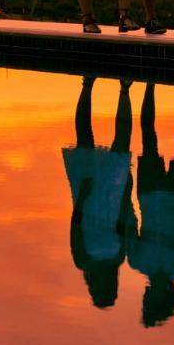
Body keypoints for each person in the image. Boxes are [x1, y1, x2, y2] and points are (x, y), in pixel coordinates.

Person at [128, 84, 174, 327]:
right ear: (165, 298)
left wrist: (126, 191)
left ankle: (149, 83)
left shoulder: (138, 261)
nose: (145, 297)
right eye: (149, 302)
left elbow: (130, 222)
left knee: (147, 134)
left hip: (149, 193)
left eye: (145, 302)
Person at [62, 76, 137, 309]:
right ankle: (124, 90)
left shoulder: (84, 261)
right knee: (120, 143)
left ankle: (88, 84)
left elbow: (75, 227)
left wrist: (83, 196)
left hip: (90, 200)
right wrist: (127, 191)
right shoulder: (116, 259)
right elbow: (124, 222)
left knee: (85, 137)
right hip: (110, 199)